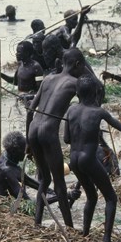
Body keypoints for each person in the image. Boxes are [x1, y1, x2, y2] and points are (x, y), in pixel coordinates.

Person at [65, 76, 121, 242]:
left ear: (77, 93)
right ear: (96, 93)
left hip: (74, 159)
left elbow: (66, 139)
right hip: (88, 159)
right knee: (111, 198)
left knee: (91, 197)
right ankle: (106, 239)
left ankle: (85, 234)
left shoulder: (71, 110)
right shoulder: (98, 112)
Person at [27, 48, 88, 228]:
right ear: (77, 65)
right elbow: (93, 98)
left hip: (33, 129)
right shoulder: (75, 83)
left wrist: (27, 144)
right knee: (59, 182)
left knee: (44, 180)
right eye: (82, 66)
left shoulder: (47, 79)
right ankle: (69, 227)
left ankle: (37, 223)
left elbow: (30, 110)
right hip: (47, 132)